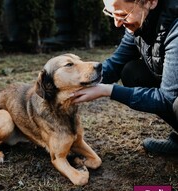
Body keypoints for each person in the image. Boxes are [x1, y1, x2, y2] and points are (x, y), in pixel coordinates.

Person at [71, 0, 178, 154]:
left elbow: (166, 99)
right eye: (111, 14)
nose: (117, 24)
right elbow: (116, 64)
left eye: (122, 15)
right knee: (132, 72)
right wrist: (78, 83)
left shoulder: (175, 29)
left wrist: (108, 90)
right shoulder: (141, 22)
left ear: (151, 2)